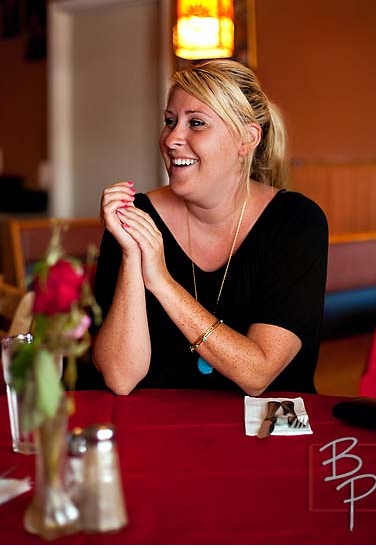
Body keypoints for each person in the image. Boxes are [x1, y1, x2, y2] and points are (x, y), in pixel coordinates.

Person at [93, 59, 328, 396]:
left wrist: (161, 282)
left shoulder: (296, 222)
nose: (172, 138)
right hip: (159, 433)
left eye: (197, 123)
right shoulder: (136, 216)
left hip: (265, 438)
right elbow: (120, 378)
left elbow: (257, 373)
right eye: (170, 121)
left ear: (246, 139)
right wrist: (133, 257)